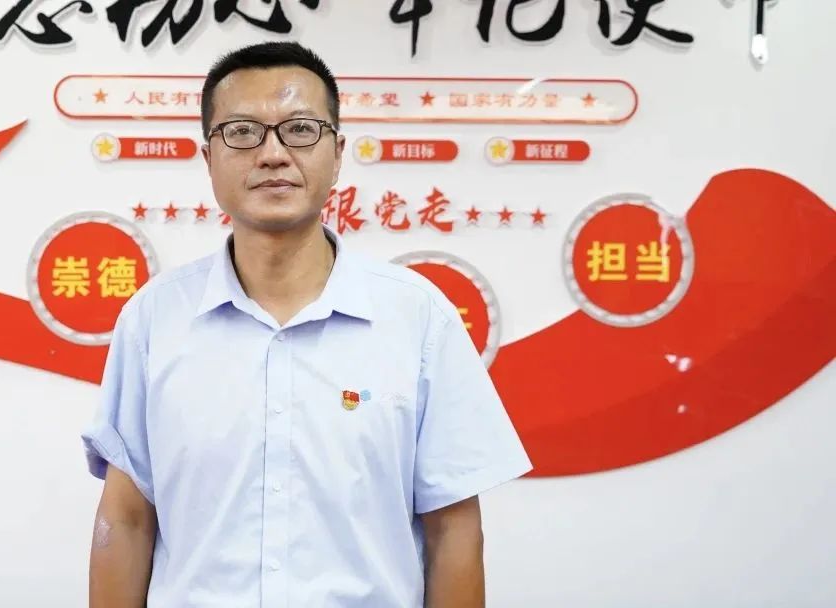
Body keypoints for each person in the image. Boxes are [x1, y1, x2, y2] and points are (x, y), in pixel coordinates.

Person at [81, 41, 531, 608]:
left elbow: (455, 532)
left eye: (300, 130)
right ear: (209, 158)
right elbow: (125, 520)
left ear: (337, 154)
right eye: (243, 132)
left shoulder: (418, 318)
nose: (273, 154)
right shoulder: (154, 320)